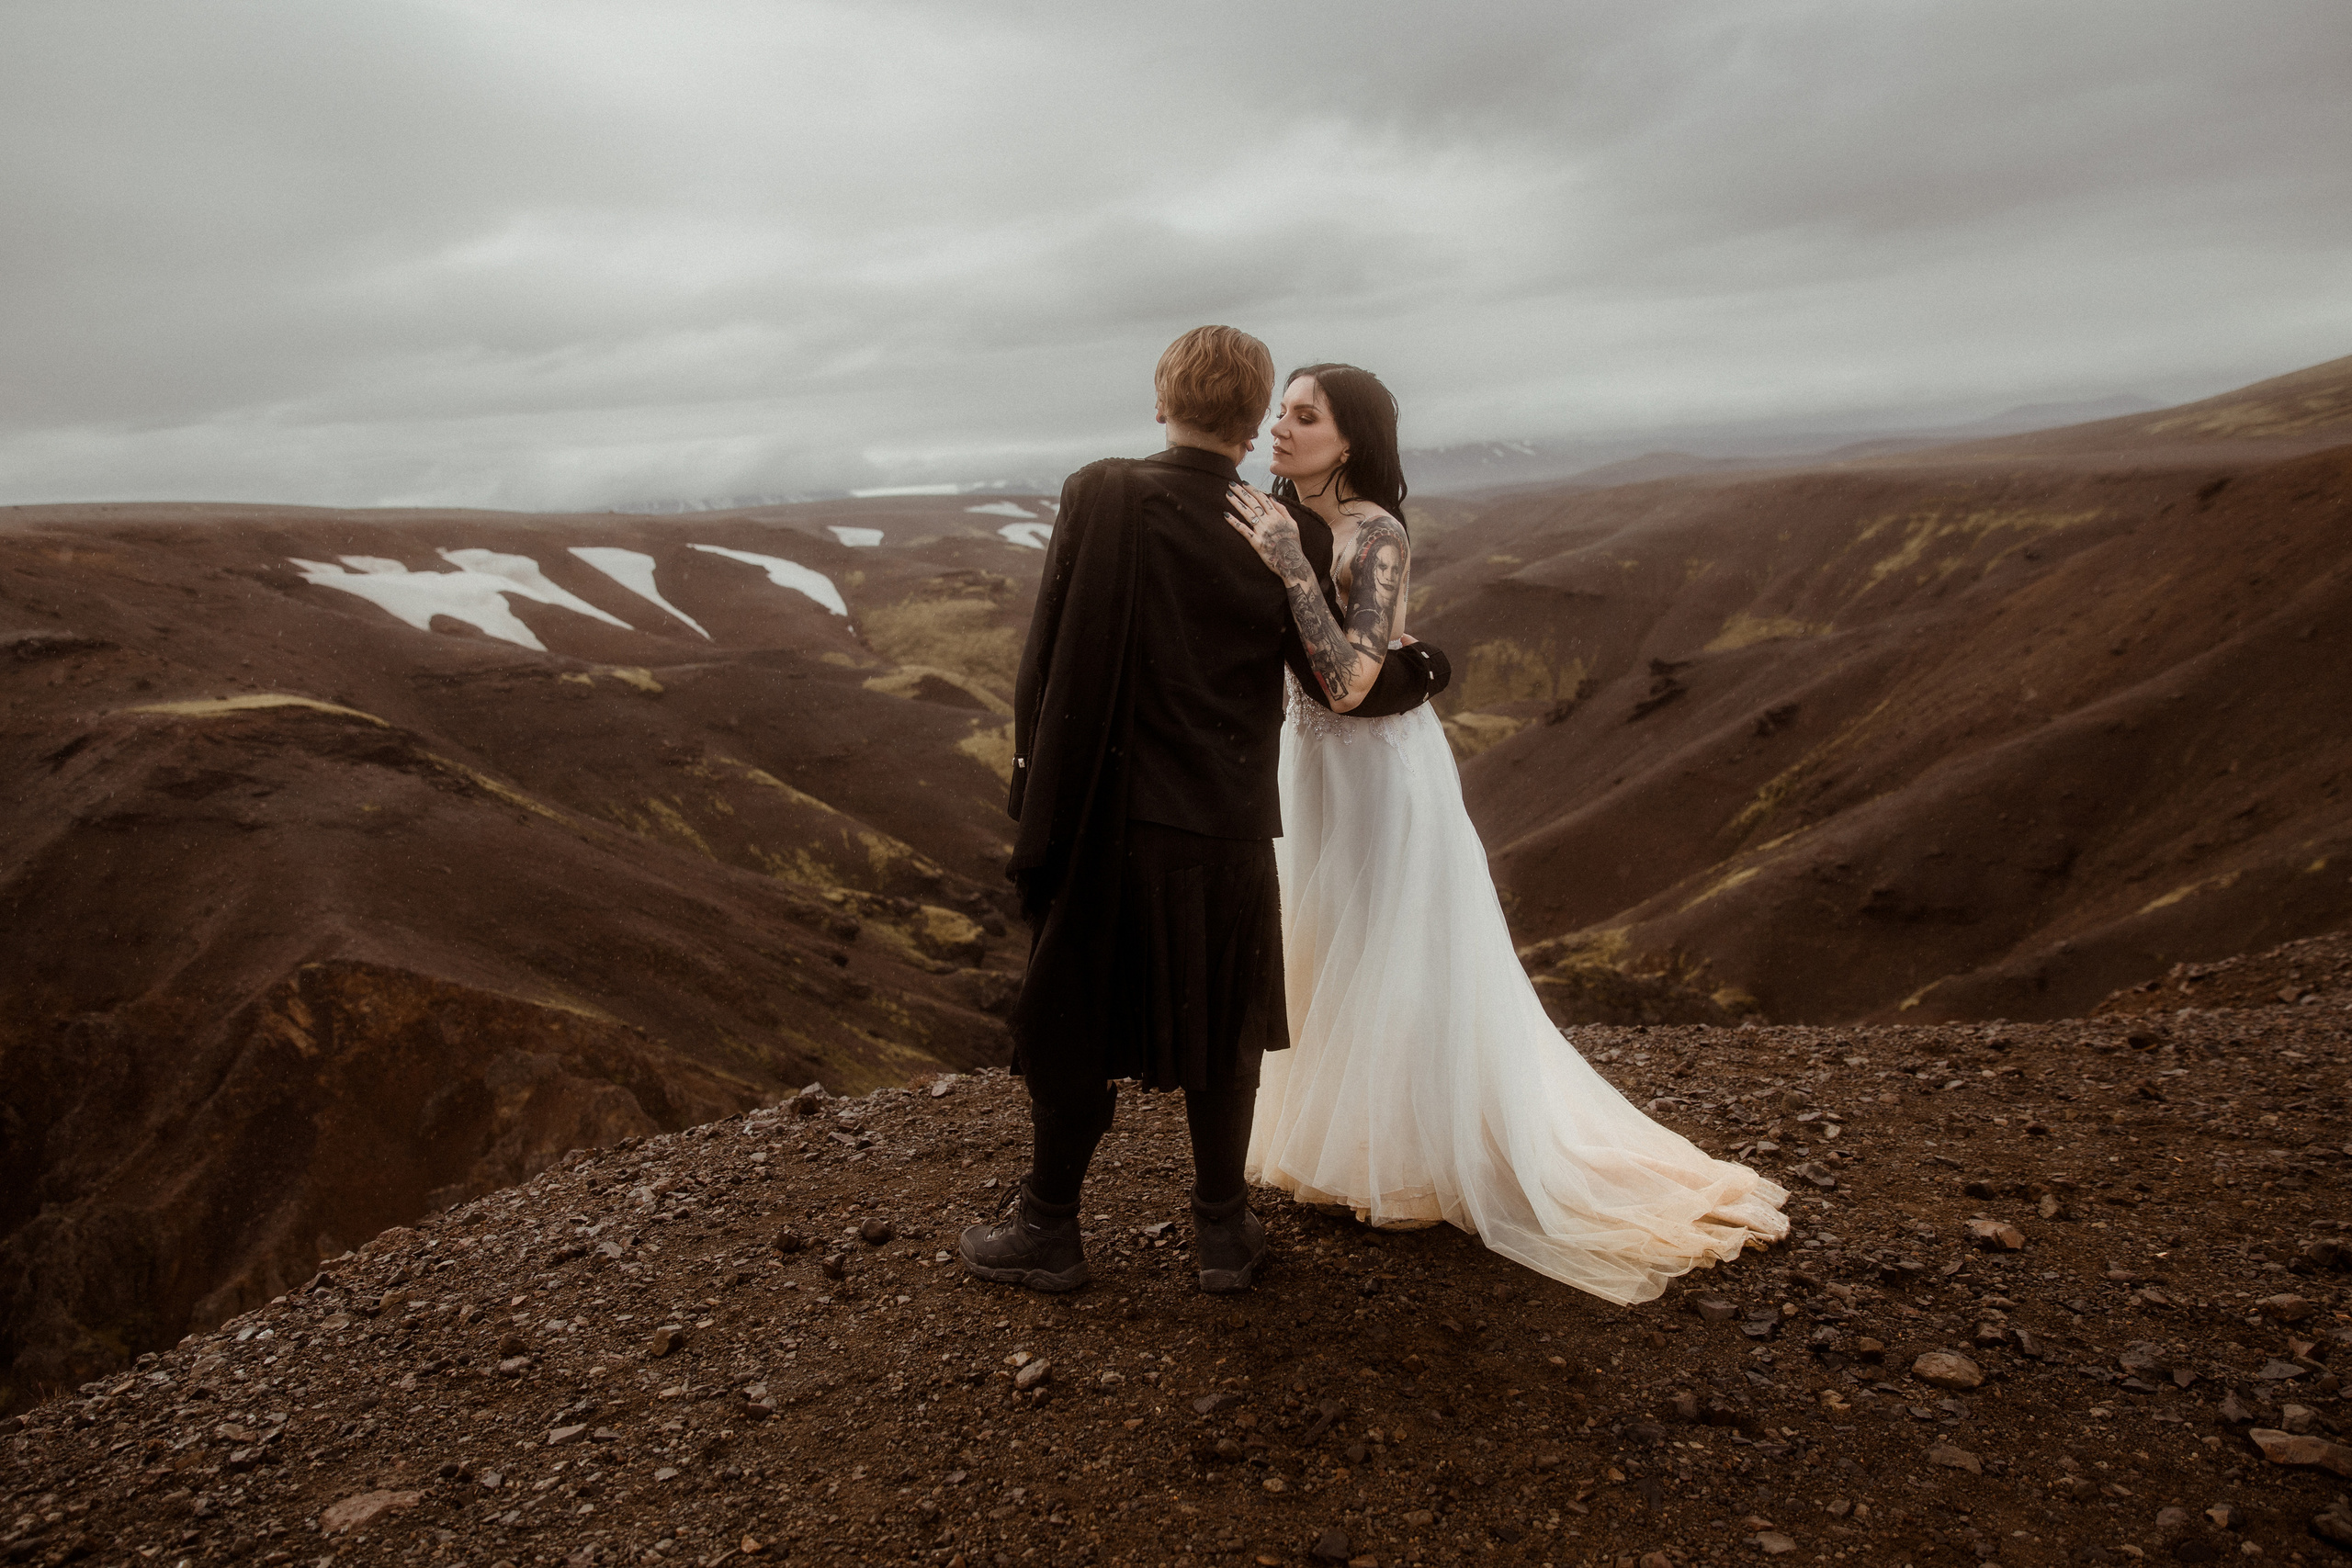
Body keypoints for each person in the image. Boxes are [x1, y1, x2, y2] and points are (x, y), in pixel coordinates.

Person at [1223, 364, 1788, 1304]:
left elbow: (1353, 683)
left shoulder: (1374, 532)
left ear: (1348, 438)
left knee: (1389, 945)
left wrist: (1287, 559)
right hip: (1309, 763)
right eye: (1278, 411)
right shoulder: (1277, 513)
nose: (1280, 427)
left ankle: (1412, 1157)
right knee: (1321, 942)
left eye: (1304, 414)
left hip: (1375, 772)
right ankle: (1341, 1143)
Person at [960, 329, 1450, 1296]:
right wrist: (1423, 670)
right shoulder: (1287, 529)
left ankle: (1049, 1228)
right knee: (1225, 1021)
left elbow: (1047, 653)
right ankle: (1223, 1236)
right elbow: (1326, 678)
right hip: (1226, 816)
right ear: (1252, 416)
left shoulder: (1098, 493)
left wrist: (1034, 794)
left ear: (1160, 401)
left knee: (1075, 1013)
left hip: (1108, 814)